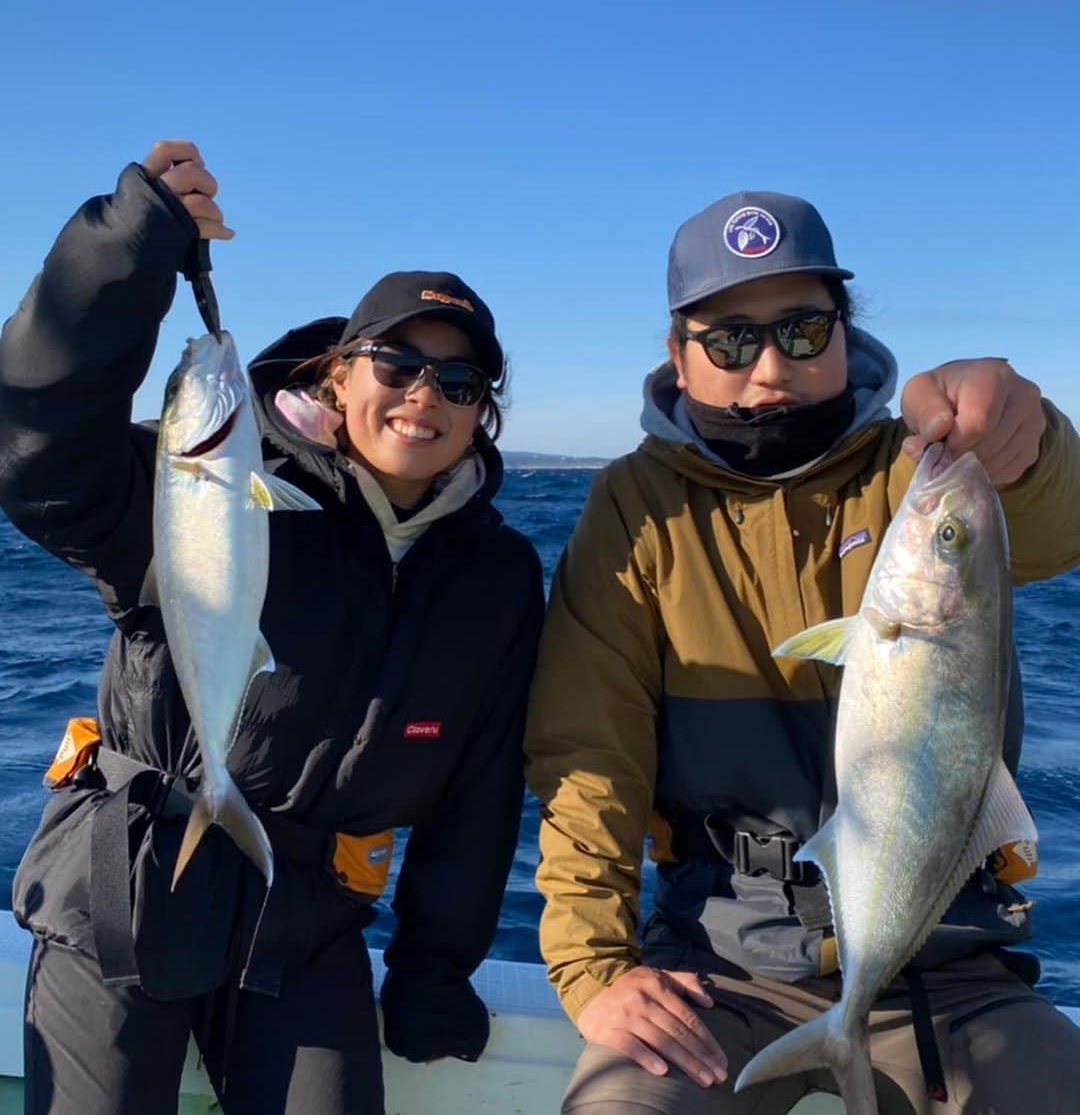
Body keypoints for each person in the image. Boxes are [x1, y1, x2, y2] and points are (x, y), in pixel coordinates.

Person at [0, 140, 544, 1115]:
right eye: (398, 361)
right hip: (125, 881)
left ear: (482, 414)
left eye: (459, 383)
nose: (425, 394)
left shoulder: (494, 573)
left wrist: (431, 968)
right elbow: (40, 449)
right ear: (338, 374)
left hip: (308, 923)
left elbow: (479, 790)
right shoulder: (213, 487)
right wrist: (126, 252)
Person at [524, 190, 1080, 1113]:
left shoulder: (922, 469)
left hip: (950, 964)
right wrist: (592, 964)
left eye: (803, 328)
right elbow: (591, 755)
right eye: (731, 339)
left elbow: (1053, 529)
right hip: (719, 966)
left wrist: (1029, 441)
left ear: (843, 330)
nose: (771, 364)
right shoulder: (633, 506)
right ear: (678, 354)